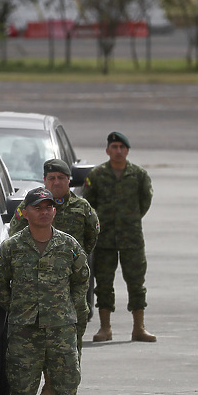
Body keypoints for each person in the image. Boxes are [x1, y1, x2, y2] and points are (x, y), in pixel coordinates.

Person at [0, 187, 89, 395]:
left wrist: (65, 312)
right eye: (38, 207)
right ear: (27, 212)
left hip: (61, 333)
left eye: (49, 206)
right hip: (25, 333)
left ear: (54, 211)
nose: (45, 211)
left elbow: (81, 280)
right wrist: (18, 309)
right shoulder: (11, 247)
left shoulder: (69, 246)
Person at [10, 159, 99, 395]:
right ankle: (48, 386)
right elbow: (15, 231)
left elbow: (91, 237)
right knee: (43, 338)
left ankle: (68, 387)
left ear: (69, 180)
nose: (57, 182)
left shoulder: (83, 208)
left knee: (72, 338)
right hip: (38, 287)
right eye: (51, 178)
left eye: (61, 178)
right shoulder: (32, 205)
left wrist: (71, 263)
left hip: (71, 285)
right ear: (45, 181)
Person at [82, 131, 155, 342]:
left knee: (136, 282)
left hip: (131, 238)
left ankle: (139, 327)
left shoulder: (139, 175)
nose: (118, 151)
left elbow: (145, 202)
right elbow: (89, 203)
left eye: (122, 147)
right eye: (114, 147)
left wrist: (129, 219)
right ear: (107, 150)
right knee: (104, 283)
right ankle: (105, 328)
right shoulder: (96, 176)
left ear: (128, 150)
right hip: (104, 239)